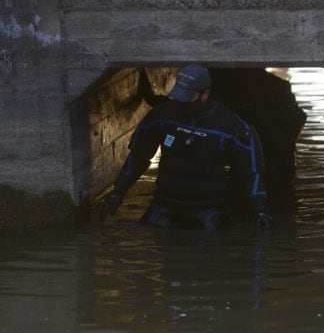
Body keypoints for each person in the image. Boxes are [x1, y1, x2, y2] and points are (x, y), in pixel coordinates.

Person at [100, 64, 272, 231]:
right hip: (165, 205)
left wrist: (261, 212)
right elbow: (139, 156)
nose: (182, 103)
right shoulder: (162, 117)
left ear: (205, 94)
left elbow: (251, 173)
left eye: (188, 97)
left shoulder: (232, 128)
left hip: (207, 210)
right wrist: (118, 192)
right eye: (179, 96)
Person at [138, 67, 306, 196]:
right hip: (278, 164)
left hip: (252, 165)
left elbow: (172, 107)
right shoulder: (278, 88)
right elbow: (299, 118)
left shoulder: (219, 90)